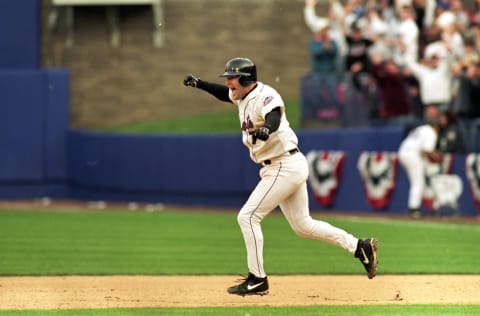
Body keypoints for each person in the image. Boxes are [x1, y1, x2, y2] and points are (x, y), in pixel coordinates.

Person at [183, 57, 378, 296]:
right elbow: (225, 94)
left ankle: (257, 279)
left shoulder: (266, 94)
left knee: (248, 217)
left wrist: (267, 128)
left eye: (232, 78)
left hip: (283, 165)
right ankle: (359, 247)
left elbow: (273, 116)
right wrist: (199, 84)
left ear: (245, 79)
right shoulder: (241, 95)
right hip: (283, 165)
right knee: (303, 225)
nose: (229, 82)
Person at [398, 105, 443, 218]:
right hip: (412, 155)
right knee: (418, 181)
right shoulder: (432, 133)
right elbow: (427, 151)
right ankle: (414, 208)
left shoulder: (422, 128)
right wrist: (437, 157)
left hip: (404, 151)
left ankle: (419, 207)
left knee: (418, 180)